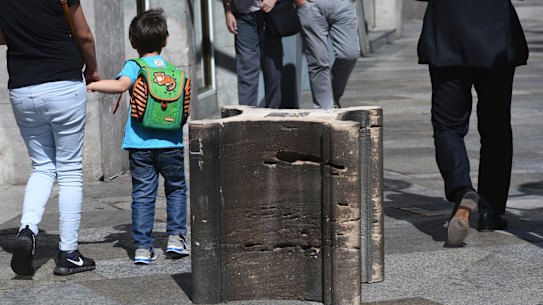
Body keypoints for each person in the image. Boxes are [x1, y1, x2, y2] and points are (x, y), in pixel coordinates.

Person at [417, 0, 529, 246]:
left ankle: (461, 190)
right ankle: (491, 212)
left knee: (448, 126)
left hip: (448, 35)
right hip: (496, 36)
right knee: (496, 128)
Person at [0, 0, 100, 276]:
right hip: (63, 82)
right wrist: (92, 69)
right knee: (69, 171)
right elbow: (84, 36)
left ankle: (28, 229)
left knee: (43, 166)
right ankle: (68, 253)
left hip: (22, 88)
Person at [87, 8, 190, 264]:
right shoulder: (170, 69)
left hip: (140, 144)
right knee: (176, 190)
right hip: (172, 143)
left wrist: (92, 84)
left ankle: (143, 248)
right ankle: (176, 239)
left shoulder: (135, 66)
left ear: (133, 42)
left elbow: (120, 86)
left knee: (143, 194)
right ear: (165, 40)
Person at [295, 0, 360, 109]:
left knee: (350, 54)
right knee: (318, 61)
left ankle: (333, 96)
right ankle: (325, 109)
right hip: (311, 7)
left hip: (342, 5)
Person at [223, 0, 284, 108]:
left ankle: (273, 116)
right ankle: (247, 119)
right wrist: (228, 10)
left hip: (269, 15)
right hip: (243, 17)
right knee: (246, 70)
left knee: (272, 70)